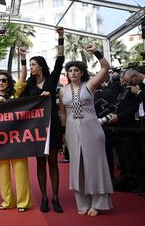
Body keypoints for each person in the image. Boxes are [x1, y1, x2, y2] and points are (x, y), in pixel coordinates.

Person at [59, 44, 113, 216]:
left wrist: (96, 52)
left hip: (92, 128)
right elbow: (62, 112)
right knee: (77, 165)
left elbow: (105, 67)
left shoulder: (90, 85)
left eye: (76, 70)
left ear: (82, 72)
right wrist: (62, 133)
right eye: (70, 70)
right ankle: (83, 202)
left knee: (94, 164)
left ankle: (98, 203)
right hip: (71, 129)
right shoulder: (63, 91)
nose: (73, 73)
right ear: (67, 74)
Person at [20, 27, 65, 213]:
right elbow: (19, 98)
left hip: (52, 124)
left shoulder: (52, 79)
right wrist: (22, 59)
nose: (31, 68)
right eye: (29, 65)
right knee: (40, 162)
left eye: (32, 64)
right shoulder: (29, 84)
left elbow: (60, 60)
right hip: (36, 127)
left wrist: (61, 37)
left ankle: (55, 198)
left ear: (40, 66)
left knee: (53, 162)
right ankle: (44, 198)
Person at [0, 47, 32, 212]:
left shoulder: (16, 93)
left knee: (20, 172)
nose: (0, 83)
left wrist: (23, 58)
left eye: (4, 80)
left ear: (8, 82)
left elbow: (23, 77)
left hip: (17, 138)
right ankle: (7, 201)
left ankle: (23, 202)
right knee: (3, 174)